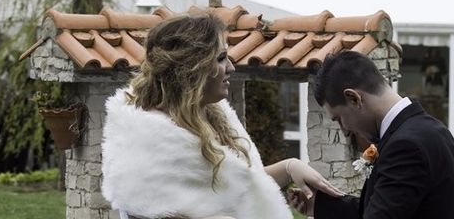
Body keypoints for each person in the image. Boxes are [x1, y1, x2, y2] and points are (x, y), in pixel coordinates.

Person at [101, 14, 342, 219]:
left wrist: (289, 167)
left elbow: (236, 189)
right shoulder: (144, 140)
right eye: (220, 58)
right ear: (191, 69)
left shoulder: (214, 115)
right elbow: (144, 206)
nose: (231, 67)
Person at [290, 50, 454, 219]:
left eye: (339, 119)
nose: (344, 131)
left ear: (354, 98)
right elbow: (388, 207)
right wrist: (321, 206)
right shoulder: (431, 130)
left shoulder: (406, 146)